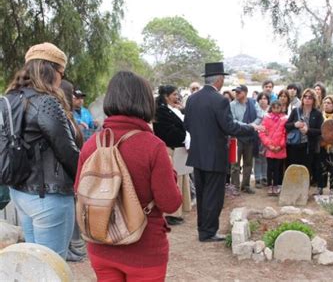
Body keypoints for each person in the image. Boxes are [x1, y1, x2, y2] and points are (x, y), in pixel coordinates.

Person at [75, 71, 182, 281]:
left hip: (100, 245)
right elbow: (170, 203)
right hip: (144, 251)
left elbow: (79, 190)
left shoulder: (90, 145)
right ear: (145, 102)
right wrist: (171, 172)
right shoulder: (153, 147)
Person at [7, 42, 80, 259]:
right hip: (48, 195)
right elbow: (67, 151)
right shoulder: (46, 102)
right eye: (61, 72)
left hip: (20, 192)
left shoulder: (10, 99)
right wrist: (85, 178)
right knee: (51, 267)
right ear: (51, 70)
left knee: (34, 264)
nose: (62, 78)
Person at [184, 62, 262, 242]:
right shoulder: (220, 100)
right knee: (214, 196)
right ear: (219, 79)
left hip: (197, 154)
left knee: (203, 194)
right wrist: (251, 128)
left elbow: (186, 125)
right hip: (215, 155)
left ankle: (202, 229)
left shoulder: (192, 99)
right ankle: (208, 232)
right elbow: (229, 126)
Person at [153, 85, 192, 226]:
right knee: (172, 181)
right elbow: (168, 131)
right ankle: (171, 214)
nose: (177, 97)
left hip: (179, 149)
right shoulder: (160, 112)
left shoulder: (172, 110)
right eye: (174, 94)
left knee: (180, 179)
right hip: (170, 149)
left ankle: (178, 211)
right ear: (166, 96)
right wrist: (185, 136)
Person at [60, 80, 86, 262]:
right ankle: (67, 247)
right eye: (71, 95)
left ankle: (71, 245)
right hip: (65, 174)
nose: (75, 99)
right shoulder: (59, 114)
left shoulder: (68, 115)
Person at [285, 88, 324, 186]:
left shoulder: (317, 114)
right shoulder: (296, 111)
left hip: (308, 146)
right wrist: (295, 124)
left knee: (307, 168)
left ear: (314, 100)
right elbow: (286, 126)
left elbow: (321, 131)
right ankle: (293, 188)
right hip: (294, 145)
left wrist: (308, 131)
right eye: (305, 97)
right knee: (293, 167)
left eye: (310, 97)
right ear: (302, 99)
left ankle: (304, 189)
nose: (307, 99)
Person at [229, 84, 262, 194]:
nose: (236, 94)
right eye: (235, 92)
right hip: (236, 137)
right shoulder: (232, 104)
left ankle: (246, 185)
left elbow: (260, 116)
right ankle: (235, 187)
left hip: (250, 136)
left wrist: (252, 125)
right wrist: (249, 126)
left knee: (248, 163)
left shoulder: (253, 103)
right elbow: (233, 120)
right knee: (235, 164)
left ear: (245, 93)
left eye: (239, 92)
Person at [259, 100, 287, 196]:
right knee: (269, 167)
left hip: (280, 147)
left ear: (281, 108)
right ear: (271, 107)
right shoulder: (266, 117)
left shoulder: (284, 118)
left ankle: (276, 185)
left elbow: (285, 133)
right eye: (274, 107)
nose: (276, 109)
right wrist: (269, 144)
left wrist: (281, 145)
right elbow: (262, 132)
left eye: (278, 107)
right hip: (270, 147)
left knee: (277, 168)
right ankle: (269, 186)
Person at [253, 92, 270, 188]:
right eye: (261, 98)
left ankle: (264, 176)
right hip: (257, 137)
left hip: (268, 137)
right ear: (258, 100)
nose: (263, 100)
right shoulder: (255, 110)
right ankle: (257, 178)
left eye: (265, 98)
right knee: (257, 158)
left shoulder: (271, 110)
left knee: (266, 157)